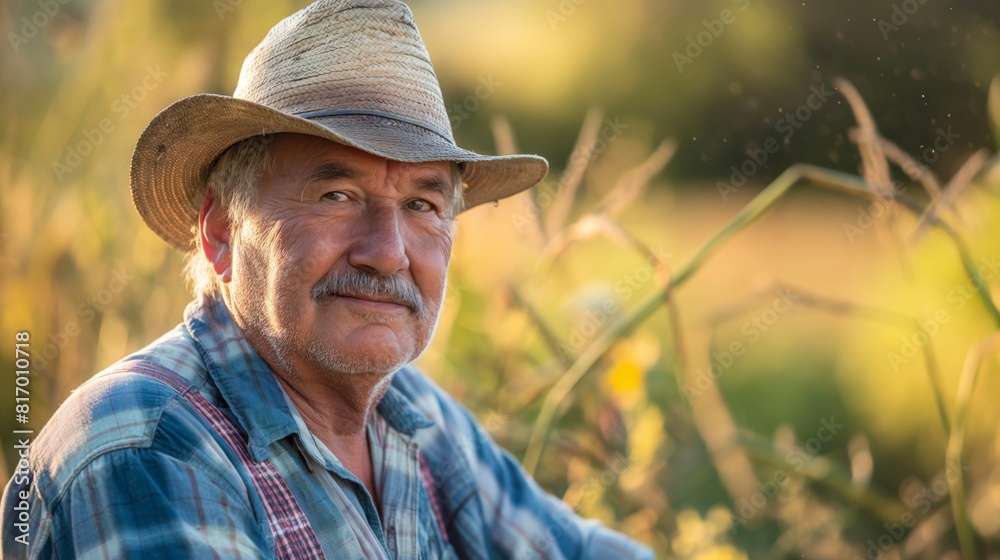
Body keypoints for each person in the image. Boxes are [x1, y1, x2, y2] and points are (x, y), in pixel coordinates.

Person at [1, 1, 653, 558]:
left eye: (422, 205)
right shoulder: (145, 446)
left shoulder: (412, 416)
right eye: (337, 194)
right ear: (221, 230)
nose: (387, 252)